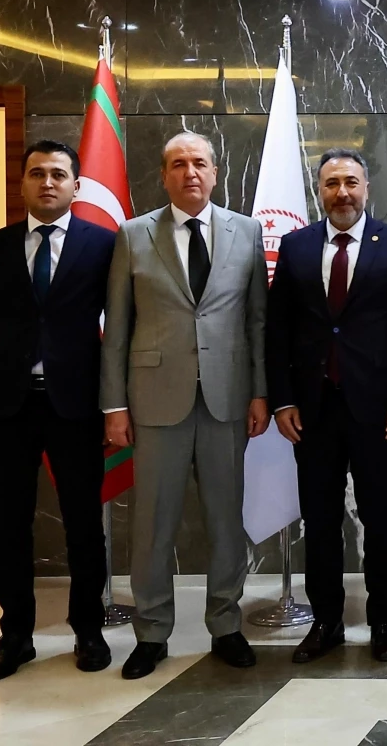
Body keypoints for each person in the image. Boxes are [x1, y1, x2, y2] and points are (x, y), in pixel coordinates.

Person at [101, 131, 270, 680]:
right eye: (178, 164)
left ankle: (226, 624)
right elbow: (117, 329)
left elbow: (257, 322)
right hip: (154, 402)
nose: (189, 172)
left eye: (199, 162)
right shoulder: (133, 234)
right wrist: (114, 407)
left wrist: (260, 392)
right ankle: (151, 632)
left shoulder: (247, 231)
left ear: (215, 172)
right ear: (163, 175)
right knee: (153, 524)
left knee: (226, 520)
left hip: (227, 398)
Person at [0, 141, 116, 680]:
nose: (47, 182)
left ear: (75, 186)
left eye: (58, 174)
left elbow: (120, 330)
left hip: (77, 405)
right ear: (22, 183)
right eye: (37, 173)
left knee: (83, 524)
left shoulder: (104, 245)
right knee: (9, 526)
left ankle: (88, 629)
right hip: (7, 408)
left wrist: (117, 405)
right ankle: (15, 635)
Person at [266, 148, 387, 663]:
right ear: (319, 190)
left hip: (378, 410)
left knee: (380, 519)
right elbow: (277, 330)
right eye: (332, 183)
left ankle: (383, 620)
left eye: (351, 182)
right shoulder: (296, 246)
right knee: (320, 520)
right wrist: (282, 399)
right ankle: (327, 622)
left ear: (366, 188)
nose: (342, 193)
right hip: (312, 409)